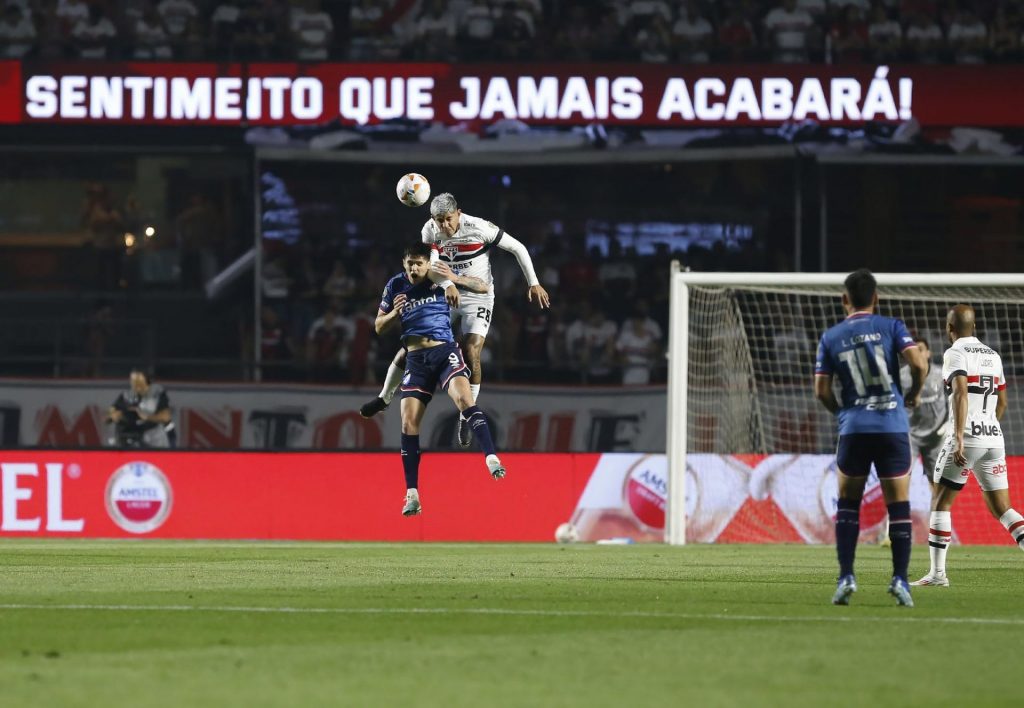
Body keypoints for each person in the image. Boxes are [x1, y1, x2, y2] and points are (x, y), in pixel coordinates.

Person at [360, 192, 550, 450]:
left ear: (458, 212)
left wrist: (534, 282)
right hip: (443, 293)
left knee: (471, 350)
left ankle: (466, 415)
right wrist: (448, 284)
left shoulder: (479, 227)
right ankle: (384, 397)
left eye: (448, 219)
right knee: (412, 348)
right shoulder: (430, 229)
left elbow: (518, 248)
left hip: (478, 296)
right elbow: (434, 267)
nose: (444, 226)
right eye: (439, 221)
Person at [814, 269, 927, 607]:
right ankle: (900, 580)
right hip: (892, 425)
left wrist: (842, 413)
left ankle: (847, 576)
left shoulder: (830, 337)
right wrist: (913, 394)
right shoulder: (892, 326)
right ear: (876, 298)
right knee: (899, 505)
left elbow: (821, 390)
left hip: (854, 429)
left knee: (848, 504)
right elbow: (918, 365)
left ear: (844, 300)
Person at [375, 243, 506, 517]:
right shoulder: (395, 285)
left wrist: (453, 282)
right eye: (410, 263)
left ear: (426, 264)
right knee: (409, 423)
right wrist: (393, 314)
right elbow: (378, 326)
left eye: (419, 264)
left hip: (443, 351)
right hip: (416, 359)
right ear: (404, 262)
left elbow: (483, 288)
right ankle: (412, 494)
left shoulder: (438, 278)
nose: (414, 268)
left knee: (463, 399)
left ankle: (491, 457)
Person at [912, 305, 1024, 587]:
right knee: (1003, 508)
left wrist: (962, 437)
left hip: (967, 436)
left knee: (940, 503)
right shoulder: (993, 355)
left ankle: (938, 575)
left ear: (950, 329)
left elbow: (960, 393)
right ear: (973, 327)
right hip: (993, 437)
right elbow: (1003, 402)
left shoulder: (954, 353)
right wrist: (987, 429)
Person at [878, 336, 950, 545]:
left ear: (928, 353)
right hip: (909, 436)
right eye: (913, 350)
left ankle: (939, 532)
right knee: (900, 482)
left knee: (938, 486)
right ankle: (891, 533)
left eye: (921, 349)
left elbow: (957, 397)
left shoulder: (941, 374)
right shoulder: (900, 377)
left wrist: (949, 426)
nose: (917, 353)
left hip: (936, 437)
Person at [108, 369, 172, 448]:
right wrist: (117, 415)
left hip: (154, 439)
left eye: (139, 382)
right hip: (131, 439)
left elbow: (166, 417)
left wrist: (146, 417)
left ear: (147, 381)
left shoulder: (157, 393)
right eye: (133, 382)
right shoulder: (127, 395)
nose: (136, 385)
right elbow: (113, 411)